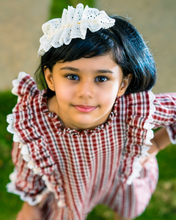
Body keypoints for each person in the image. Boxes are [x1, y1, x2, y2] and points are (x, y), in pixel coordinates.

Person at [6, 3, 175, 220]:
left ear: (122, 85)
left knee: (127, 206)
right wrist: (31, 205)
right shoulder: (34, 126)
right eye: (72, 76)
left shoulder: (132, 110)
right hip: (72, 188)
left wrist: (155, 146)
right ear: (50, 79)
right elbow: (27, 169)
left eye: (102, 78)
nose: (86, 93)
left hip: (119, 176)